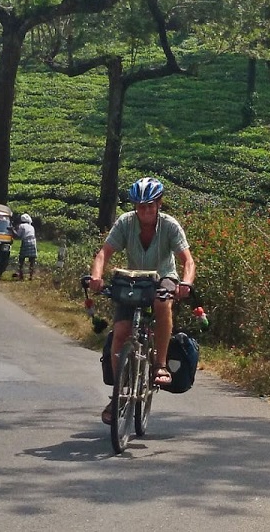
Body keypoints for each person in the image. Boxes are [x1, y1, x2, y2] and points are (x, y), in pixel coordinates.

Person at [89, 176, 196, 424]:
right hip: (134, 279)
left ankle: (160, 365)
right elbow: (104, 253)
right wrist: (96, 276)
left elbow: (187, 261)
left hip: (163, 277)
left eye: (149, 205)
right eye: (140, 206)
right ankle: (118, 394)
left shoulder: (170, 226)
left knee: (162, 302)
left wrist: (186, 284)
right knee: (121, 330)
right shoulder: (125, 223)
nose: (145, 211)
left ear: (159, 204)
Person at [11, 213, 38, 280]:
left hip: (26, 242)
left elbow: (18, 236)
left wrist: (12, 230)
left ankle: (21, 276)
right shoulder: (31, 226)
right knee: (32, 260)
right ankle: (31, 276)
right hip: (33, 242)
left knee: (21, 259)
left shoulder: (21, 226)